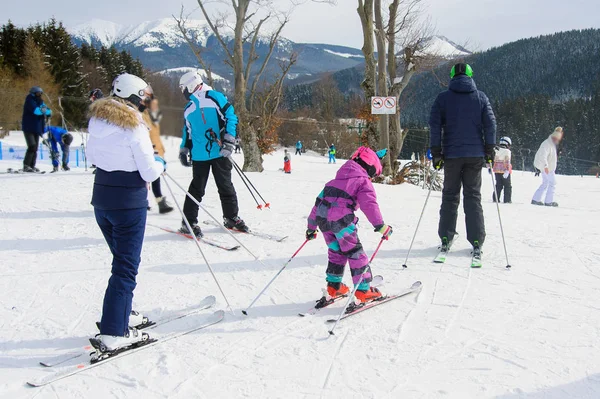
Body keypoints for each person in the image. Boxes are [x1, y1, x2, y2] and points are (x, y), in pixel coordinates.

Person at [87, 73, 166, 351]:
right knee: (125, 267)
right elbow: (148, 171)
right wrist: (160, 164)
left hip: (102, 200)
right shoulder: (134, 126)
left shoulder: (98, 120)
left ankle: (122, 311)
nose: (145, 101)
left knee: (121, 260)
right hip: (128, 203)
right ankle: (114, 332)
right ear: (133, 96)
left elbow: (92, 158)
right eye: (143, 96)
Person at [306, 146, 392, 303]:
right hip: (342, 221)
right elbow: (369, 204)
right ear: (370, 167)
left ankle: (334, 286)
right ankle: (363, 291)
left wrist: (311, 228)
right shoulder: (362, 181)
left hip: (323, 221)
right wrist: (381, 226)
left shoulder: (332, 182)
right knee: (355, 253)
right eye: (373, 174)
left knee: (336, 252)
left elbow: (318, 204)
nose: (371, 178)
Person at [429, 63, 497, 256]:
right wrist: (489, 149)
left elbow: (435, 126)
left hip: (451, 155)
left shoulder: (443, 99)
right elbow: (490, 125)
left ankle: (446, 237)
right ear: (470, 75)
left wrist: (436, 152)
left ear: (452, 76)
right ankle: (476, 239)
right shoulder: (481, 97)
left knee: (450, 196)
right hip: (475, 155)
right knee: (473, 196)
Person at [177, 70, 248, 237]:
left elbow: (231, 117)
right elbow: (187, 131)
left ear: (191, 85)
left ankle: (231, 217)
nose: (183, 93)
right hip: (199, 155)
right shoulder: (188, 108)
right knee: (197, 189)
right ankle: (188, 222)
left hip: (219, 151)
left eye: (184, 88)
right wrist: (184, 149)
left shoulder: (214, 97)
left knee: (225, 186)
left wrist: (230, 140)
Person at [143, 98, 173, 214]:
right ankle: (144, 202)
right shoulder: (143, 118)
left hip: (156, 152)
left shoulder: (154, 122)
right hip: (148, 151)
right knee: (145, 178)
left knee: (155, 178)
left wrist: (161, 152)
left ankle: (160, 203)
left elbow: (157, 138)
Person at [22, 86, 52, 172]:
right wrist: (44, 110)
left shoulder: (40, 101)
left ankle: (32, 165)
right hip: (29, 127)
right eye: (38, 93)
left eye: (40, 93)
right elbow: (36, 111)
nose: (39, 95)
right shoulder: (29, 100)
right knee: (32, 145)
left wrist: (46, 111)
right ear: (33, 93)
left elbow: (48, 111)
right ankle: (26, 165)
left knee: (35, 147)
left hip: (37, 127)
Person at [532, 127, 563, 207]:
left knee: (545, 182)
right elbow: (543, 155)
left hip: (547, 167)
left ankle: (536, 199)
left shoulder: (550, 144)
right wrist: (545, 166)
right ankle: (548, 202)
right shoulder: (547, 144)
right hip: (547, 167)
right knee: (552, 183)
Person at [492, 136, 512, 203]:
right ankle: (507, 200)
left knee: (498, 185)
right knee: (507, 186)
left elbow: (493, 159)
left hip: (496, 171)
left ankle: (496, 198)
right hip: (505, 171)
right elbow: (507, 161)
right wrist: (507, 170)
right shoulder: (507, 151)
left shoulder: (496, 150)